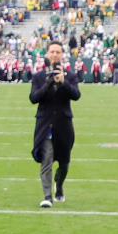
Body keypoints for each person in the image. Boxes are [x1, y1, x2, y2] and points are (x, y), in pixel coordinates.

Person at [30, 40, 80, 208]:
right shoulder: (38, 76)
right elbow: (33, 98)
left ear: (62, 55)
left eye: (58, 52)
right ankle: (47, 196)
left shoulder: (70, 76)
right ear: (47, 54)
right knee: (47, 159)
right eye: (52, 52)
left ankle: (59, 185)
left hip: (64, 126)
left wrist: (63, 82)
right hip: (45, 126)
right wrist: (48, 84)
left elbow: (76, 95)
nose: (54, 55)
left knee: (64, 163)